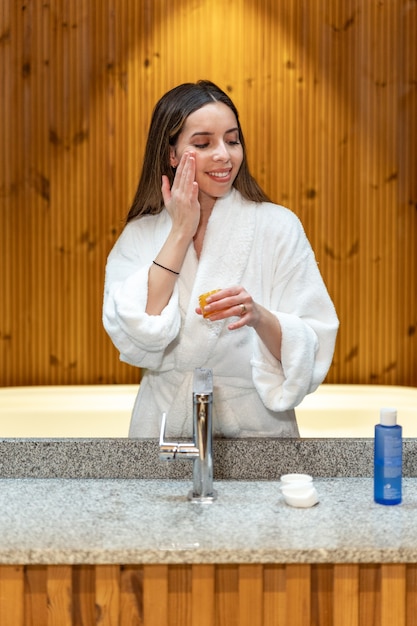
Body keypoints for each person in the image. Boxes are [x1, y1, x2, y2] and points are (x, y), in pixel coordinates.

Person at [103, 80, 339, 438]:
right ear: (171, 154)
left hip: (258, 433)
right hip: (165, 429)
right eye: (203, 143)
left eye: (232, 140)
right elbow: (139, 335)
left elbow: (312, 344)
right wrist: (180, 231)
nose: (224, 155)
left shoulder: (278, 227)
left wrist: (259, 317)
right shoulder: (140, 235)